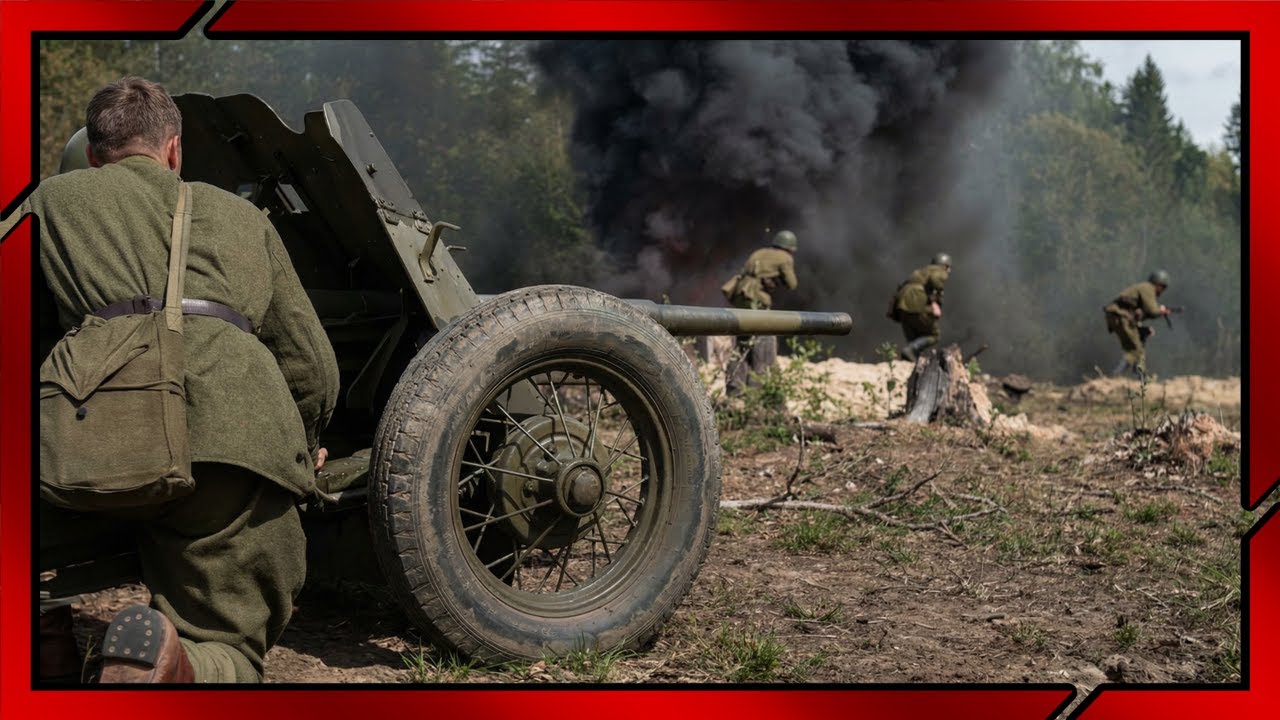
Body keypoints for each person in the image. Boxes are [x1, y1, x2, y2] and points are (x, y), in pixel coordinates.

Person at [23, 77, 339, 683]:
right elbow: (309, 361)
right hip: (233, 440)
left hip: (86, 443)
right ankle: (181, 665)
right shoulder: (243, 218)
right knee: (226, 635)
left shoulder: (49, 203)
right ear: (174, 150)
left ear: (92, 154)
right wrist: (303, 437)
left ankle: (43, 636)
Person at [720, 229, 799, 396]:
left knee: (742, 341)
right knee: (763, 340)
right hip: (756, 298)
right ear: (790, 248)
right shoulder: (785, 258)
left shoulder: (760, 252)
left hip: (741, 295)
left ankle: (735, 387)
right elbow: (791, 284)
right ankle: (758, 388)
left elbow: (748, 271)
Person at [1104, 270, 1173, 378]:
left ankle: (1141, 376)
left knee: (1138, 346)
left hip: (1119, 317)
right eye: (1163, 287)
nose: (1162, 291)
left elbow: (1140, 314)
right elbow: (1152, 311)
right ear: (1158, 284)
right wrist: (1162, 311)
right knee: (1135, 351)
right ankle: (1114, 376)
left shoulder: (1144, 288)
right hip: (1121, 317)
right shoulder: (1148, 288)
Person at [888, 252, 951, 360]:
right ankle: (911, 350)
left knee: (914, 338)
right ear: (945, 265)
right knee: (934, 335)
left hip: (901, 304)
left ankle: (911, 357)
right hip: (916, 302)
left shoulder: (920, 272)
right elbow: (935, 280)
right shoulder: (939, 270)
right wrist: (938, 293)